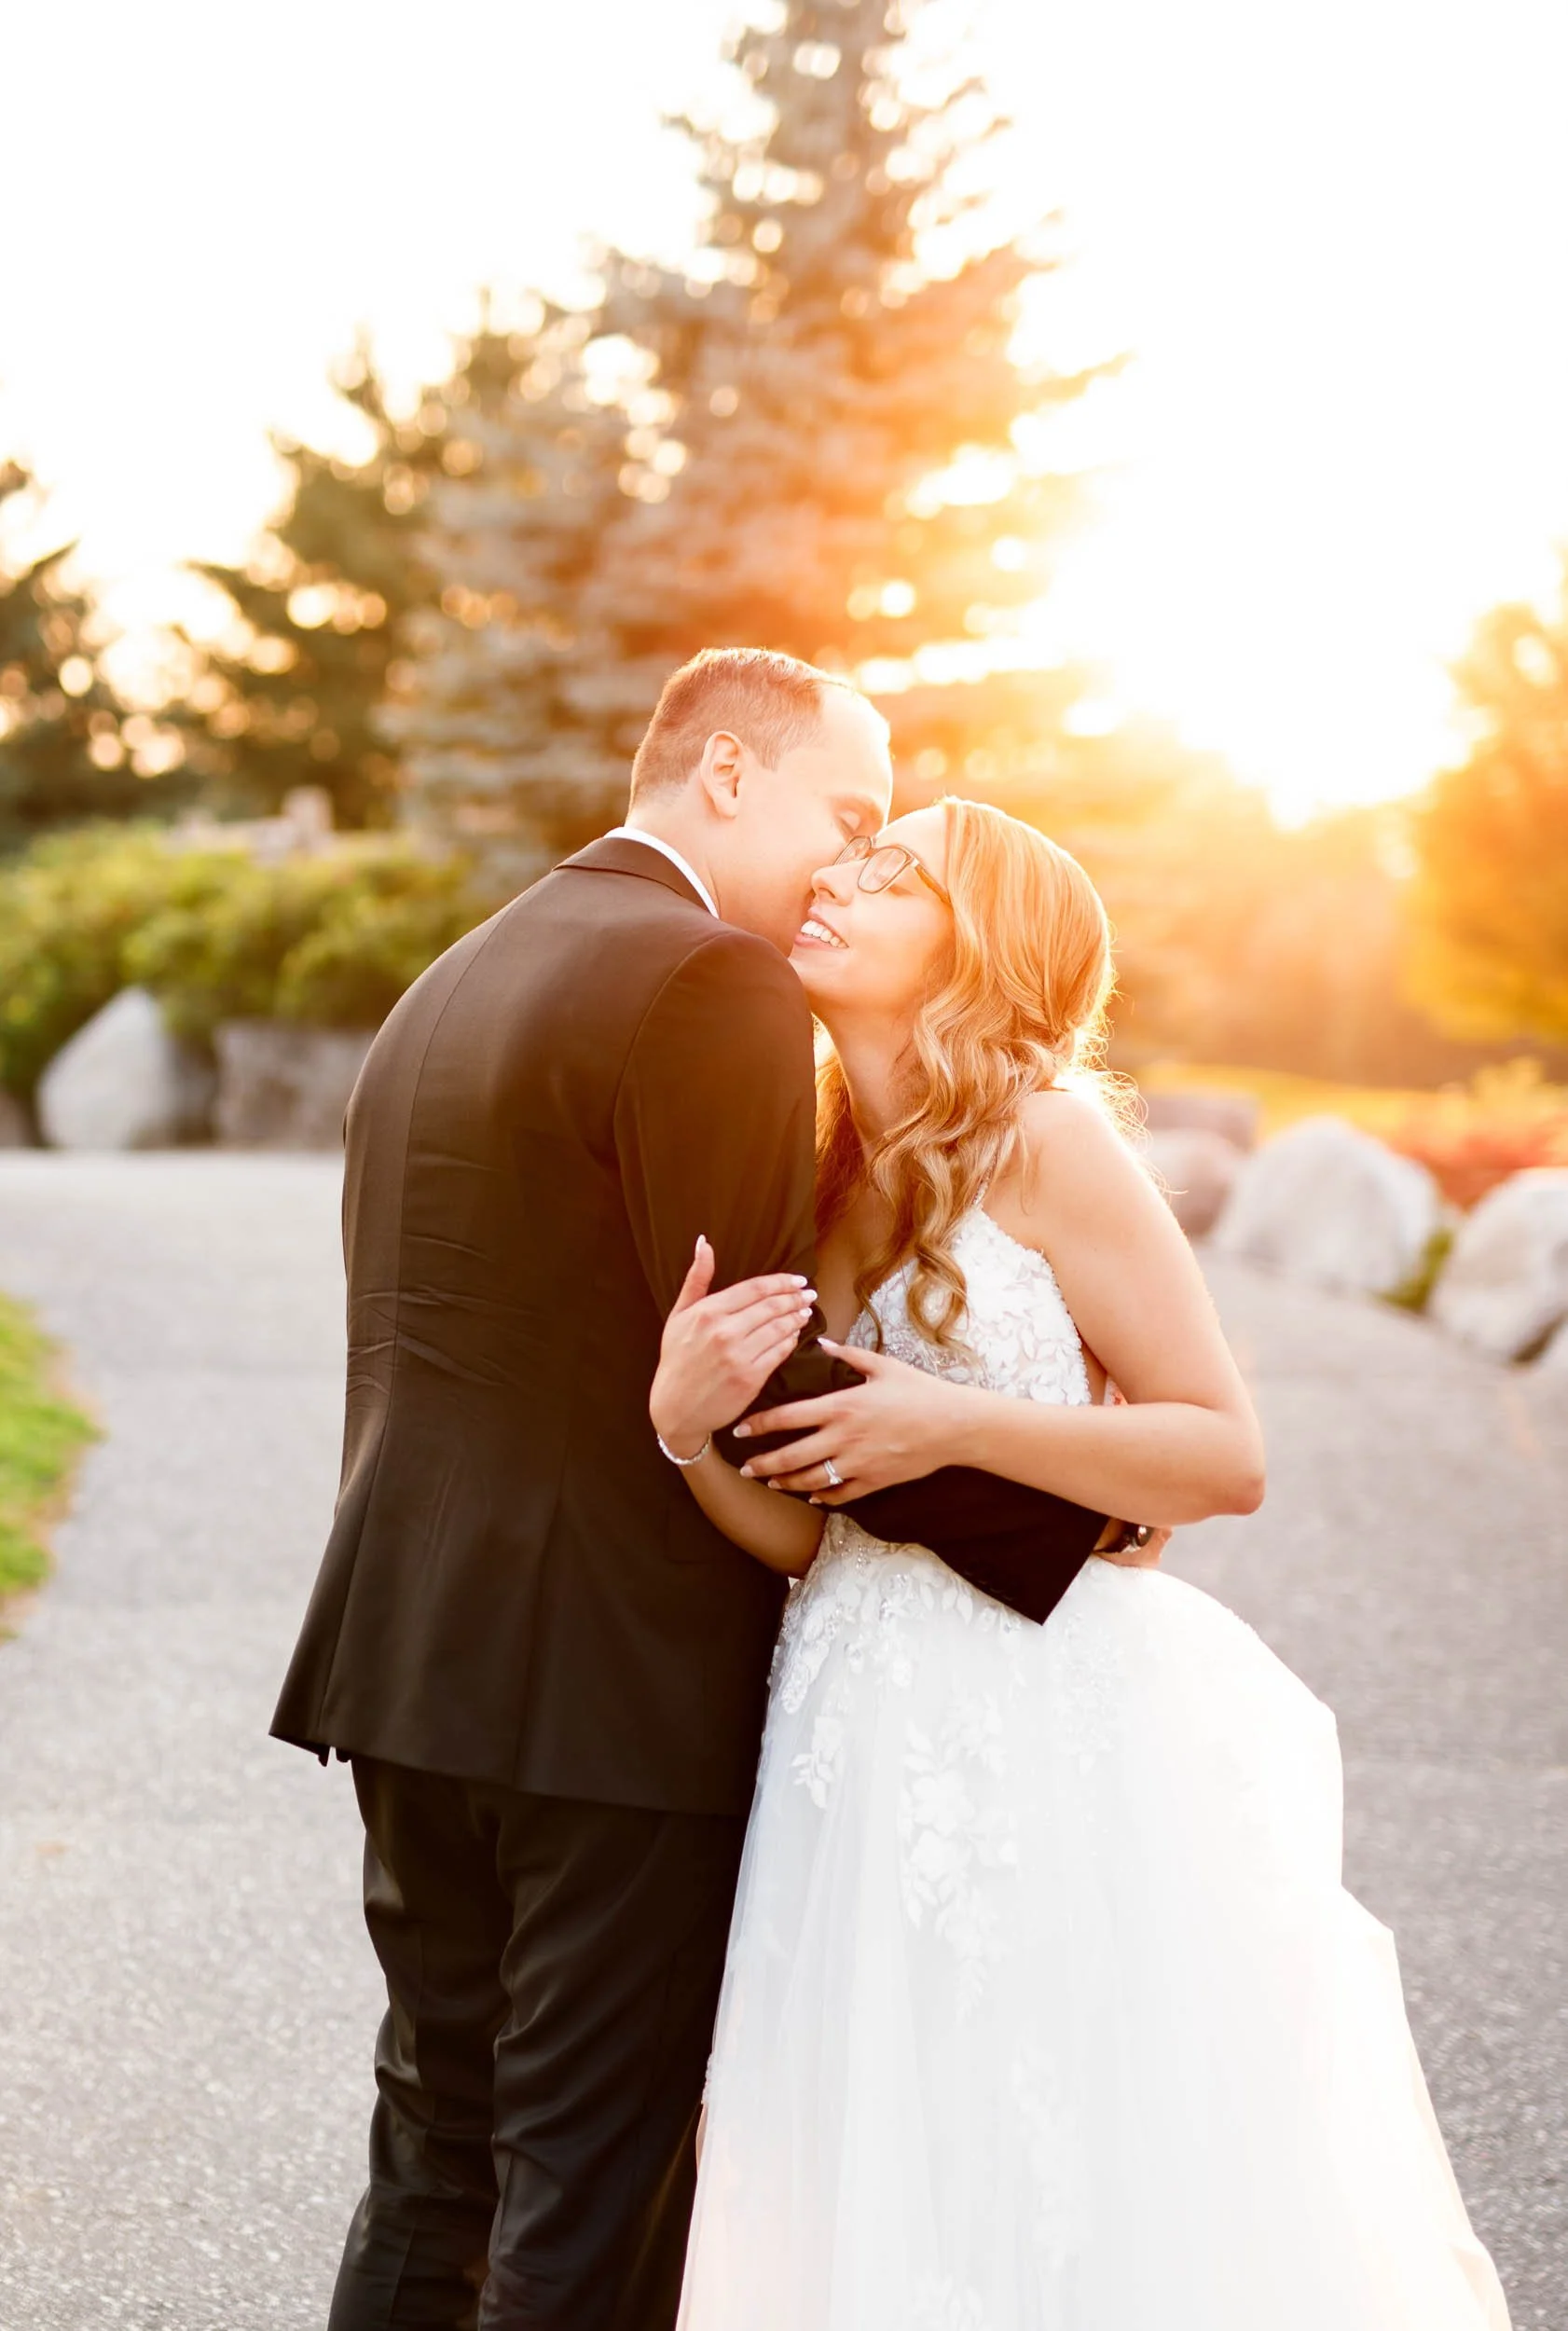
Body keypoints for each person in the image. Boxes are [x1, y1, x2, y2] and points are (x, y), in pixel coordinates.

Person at [269, 649, 1168, 2331]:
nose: (847, 860)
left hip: (403, 1654)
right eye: (845, 814)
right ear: (727, 778)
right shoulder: (705, 981)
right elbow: (756, 1365)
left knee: (435, 2146)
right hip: (604, 1687)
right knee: (586, 2185)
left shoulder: (458, 974)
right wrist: (1074, 1516)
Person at [653, 796, 1513, 2331]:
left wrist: (948, 1425)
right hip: (854, 1714)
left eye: (890, 869)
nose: (836, 879)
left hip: (1039, 1709)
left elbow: (1220, 1456)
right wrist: (687, 1434)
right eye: (848, 857)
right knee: (878, 2146)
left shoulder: (1046, 1142)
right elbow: (802, 1531)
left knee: (1054, 2141)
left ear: (972, 952)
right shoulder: (828, 1171)